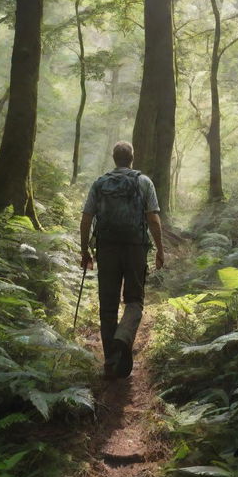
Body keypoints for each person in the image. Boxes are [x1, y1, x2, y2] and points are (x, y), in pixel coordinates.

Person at [80, 140, 164, 378]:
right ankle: (123, 337)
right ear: (132, 158)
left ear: (114, 158)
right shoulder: (144, 181)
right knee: (135, 300)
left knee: (107, 305)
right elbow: (154, 220)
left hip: (105, 248)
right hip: (136, 248)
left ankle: (110, 362)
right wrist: (160, 249)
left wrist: (84, 250)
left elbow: (86, 218)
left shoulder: (100, 183)